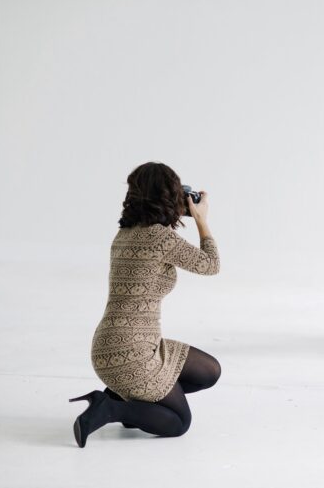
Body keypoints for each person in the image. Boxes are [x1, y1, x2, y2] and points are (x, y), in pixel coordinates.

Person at [69, 162, 221, 447]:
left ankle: (131, 404)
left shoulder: (124, 235)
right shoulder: (160, 238)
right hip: (131, 353)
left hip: (119, 345)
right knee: (178, 422)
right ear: (169, 196)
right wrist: (201, 220)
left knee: (209, 371)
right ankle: (111, 408)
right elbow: (211, 265)